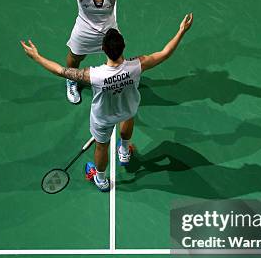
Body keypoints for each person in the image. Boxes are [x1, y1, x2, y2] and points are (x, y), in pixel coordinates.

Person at [21, 13, 194, 192]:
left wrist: (37, 57)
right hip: (127, 109)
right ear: (123, 46)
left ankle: (101, 179)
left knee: (101, 147)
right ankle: (125, 152)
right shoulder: (137, 66)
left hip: (103, 119)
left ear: (103, 49)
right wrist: (181, 31)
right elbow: (164, 54)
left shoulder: (93, 75)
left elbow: (60, 70)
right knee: (128, 119)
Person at [52, 0, 146, 104]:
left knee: (117, 56)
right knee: (76, 57)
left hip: (109, 30)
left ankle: (120, 82)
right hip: (84, 30)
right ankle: (71, 80)